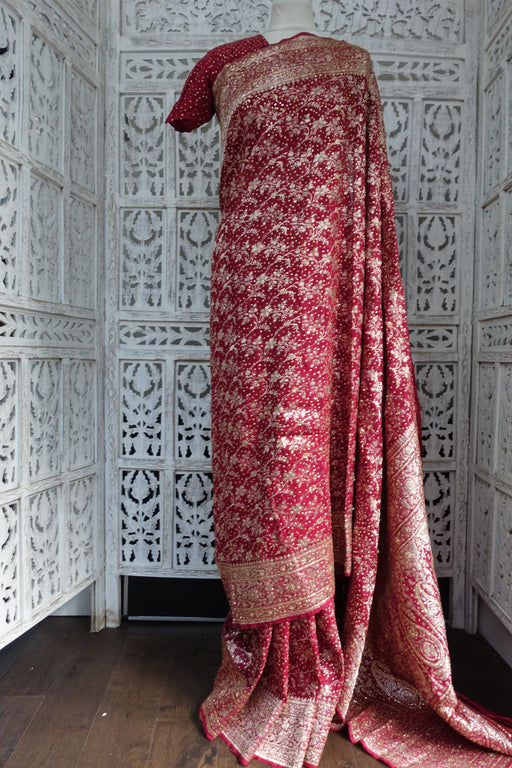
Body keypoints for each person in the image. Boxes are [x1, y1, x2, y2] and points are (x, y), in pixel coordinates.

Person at [166, 3, 512, 766]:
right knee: (258, 475)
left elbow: (363, 198)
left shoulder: (351, 65)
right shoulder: (221, 65)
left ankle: (319, 651)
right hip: (245, 303)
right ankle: (273, 657)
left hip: (326, 296)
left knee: (311, 463)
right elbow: (185, 117)